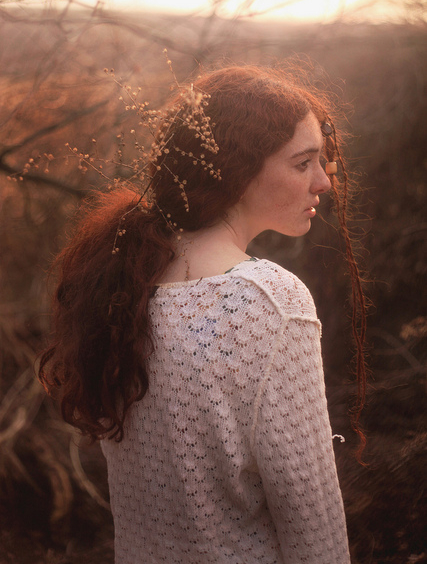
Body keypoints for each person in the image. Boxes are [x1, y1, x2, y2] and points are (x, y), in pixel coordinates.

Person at [39, 65, 366, 563]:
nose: (324, 181)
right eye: (303, 163)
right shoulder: (271, 302)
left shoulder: (125, 282)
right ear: (239, 171)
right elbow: (312, 521)